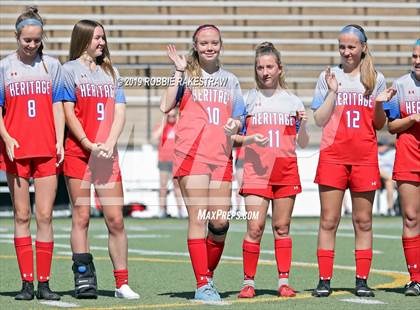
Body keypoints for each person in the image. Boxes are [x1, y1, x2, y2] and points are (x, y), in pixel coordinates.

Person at [160, 24, 245, 302]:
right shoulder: (186, 74)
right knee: (199, 216)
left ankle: (205, 277)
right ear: (195, 46)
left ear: (221, 45)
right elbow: (165, 105)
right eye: (204, 43)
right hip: (191, 154)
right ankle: (202, 284)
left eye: (214, 43)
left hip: (221, 157)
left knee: (220, 222)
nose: (209, 47)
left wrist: (236, 122)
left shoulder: (230, 80)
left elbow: (239, 116)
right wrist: (178, 71)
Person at [310, 24, 395, 297]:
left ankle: (361, 280)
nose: (346, 52)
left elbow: (379, 124)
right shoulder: (328, 76)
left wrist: (380, 103)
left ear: (363, 48)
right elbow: (319, 119)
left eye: (351, 47)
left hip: (364, 157)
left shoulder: (375, 78)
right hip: (333, 157)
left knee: (364, 221)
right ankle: (324, 280)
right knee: (329, 220)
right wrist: (333, 92)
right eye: (342, 47)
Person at [62, 19, 139, 299]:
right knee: (81, 216)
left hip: (107, 155)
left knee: (116, 219)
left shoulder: (112, 72)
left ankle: (122, 283)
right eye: (97, 38)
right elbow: (68, 112)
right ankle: (84, 277)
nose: (102, 43)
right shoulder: (67, 71)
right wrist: (86, 142)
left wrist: (108, 143)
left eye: (103, 38)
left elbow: (119, 112)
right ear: (83, 39)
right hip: (78, 154)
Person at [233, 42, 309, 298]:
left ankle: (283, 281)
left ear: (279, 68)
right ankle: (248, 282)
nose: (265, 72)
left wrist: (305, 126)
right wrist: (248, 143)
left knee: (282, 227)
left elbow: (304, 142)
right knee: (254, 227)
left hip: (285, 169)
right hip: (256, 170)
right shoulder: (247, 100)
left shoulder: (292, 101)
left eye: (269, 66)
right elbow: (232, 137)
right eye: (260, 67)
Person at [0, 6, 64, 301]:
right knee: (22, 215)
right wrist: (7, 137)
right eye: (26, 39)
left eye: (37, 40)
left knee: (45, 215)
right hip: (15, 151)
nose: (31, 45)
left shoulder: (52, 65)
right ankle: (26, 283)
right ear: (17, 37)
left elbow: (58, 105)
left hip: (46, 150)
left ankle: (45, 282)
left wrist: (60, 141)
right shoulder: (4, 67)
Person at [383, 39, 420, 296]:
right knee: (410, 217)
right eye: (415, 56)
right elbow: (391, 126)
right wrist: (412, 118)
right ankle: (415, 278)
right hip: (408, 158)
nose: (417, 61)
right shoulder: (401, 85)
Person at [151, 109, 185, 218]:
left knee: (177, 187)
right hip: (164, 160)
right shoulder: (161, 126)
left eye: (173, 116)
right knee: (163, 186)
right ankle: (162, 209)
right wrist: (164, 122)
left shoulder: (179, 126)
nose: (171, 118)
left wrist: (179, 120)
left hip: (176, 161)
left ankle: (181, 210)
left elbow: (184, 137)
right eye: (169, 116)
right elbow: (155, 137)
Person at [377, 138, 396, 216]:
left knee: (389, 183)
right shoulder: (375, 153)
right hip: (378, 177)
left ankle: (390, 208)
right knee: (388, 181)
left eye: (382, 145)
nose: (380, 147)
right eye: (379, 145)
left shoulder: (392, 153)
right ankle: (390, 207)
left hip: (392, 178)